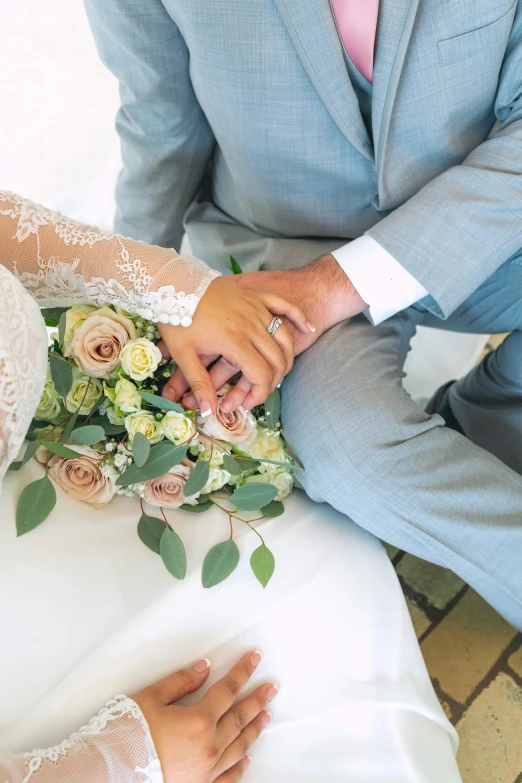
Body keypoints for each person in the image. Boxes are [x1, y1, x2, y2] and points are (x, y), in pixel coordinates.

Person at [83, 0, 522, 629]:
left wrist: (340, 286)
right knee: (353, 459)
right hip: (280, 252)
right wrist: (135, 311)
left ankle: (487, 412)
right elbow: (161, 129)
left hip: (480, 218)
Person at [0, 198, 460, 780]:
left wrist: (178, 292)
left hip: (48, 475)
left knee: (328, 565)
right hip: (37, 647)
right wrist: (122, 761)